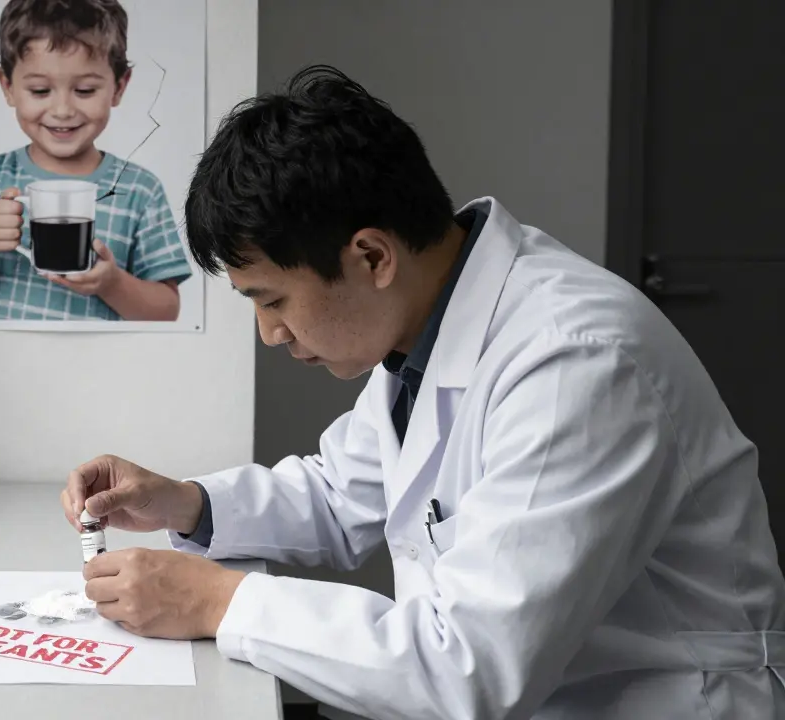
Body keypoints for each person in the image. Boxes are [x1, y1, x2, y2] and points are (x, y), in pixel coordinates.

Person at [61, 65, 785, 719]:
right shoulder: (429, 327)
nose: (270, 334)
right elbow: (341, 494)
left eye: (273, 300)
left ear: (372, 255)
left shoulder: (576, 364)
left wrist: (219, 601)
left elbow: (471, 669)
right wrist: (184, 502)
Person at [0, 0, 192, 322]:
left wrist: (112, 284)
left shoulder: (139, 189)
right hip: (2, 357)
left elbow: (167, 311)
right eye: (40, 90)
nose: (62, 110)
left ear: (119, 87)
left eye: (85, 90)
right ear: (7, 87)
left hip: (103, 357)